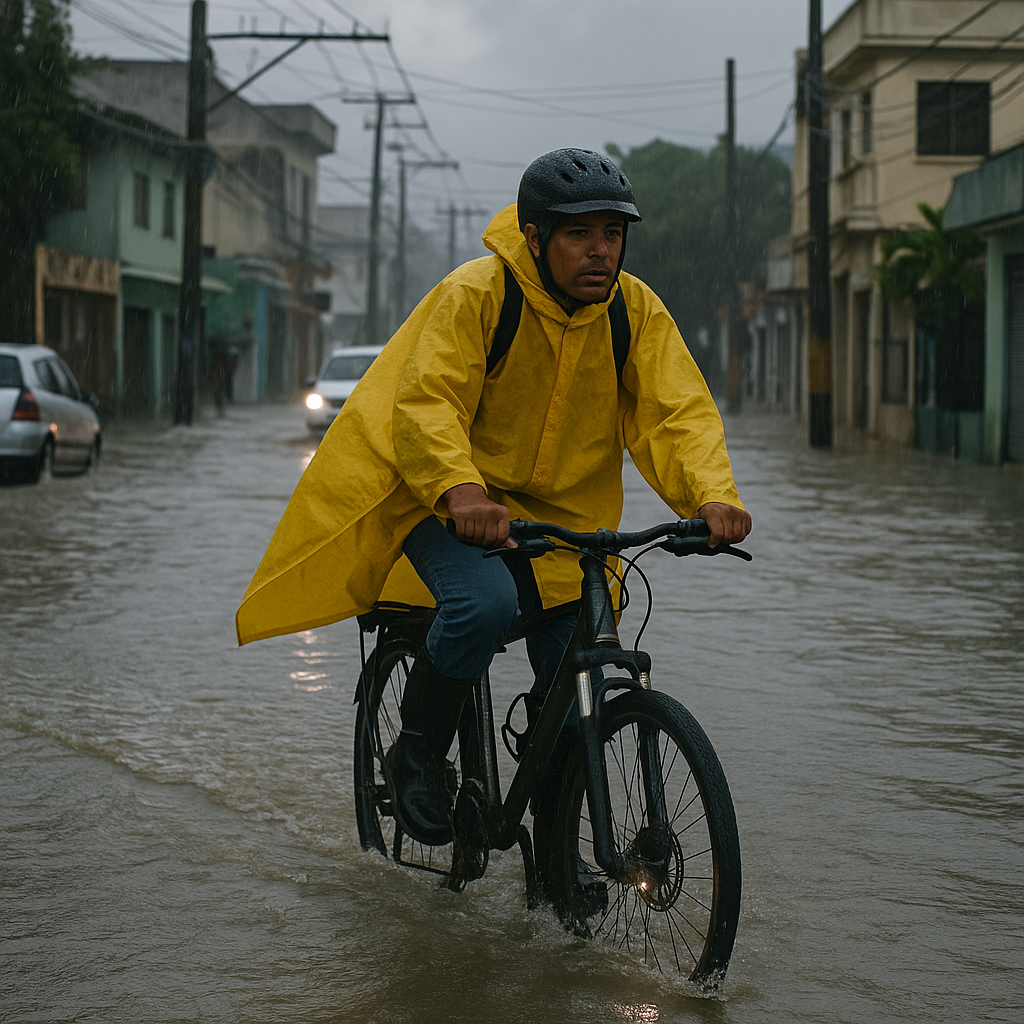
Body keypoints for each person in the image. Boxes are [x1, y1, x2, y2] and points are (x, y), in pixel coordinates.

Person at [236, 148, 751, 847]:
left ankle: (561, 854)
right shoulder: (479, 293)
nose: (601, 252)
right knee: (485, 604)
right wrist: (462, 489)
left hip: (568, 528)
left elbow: (676, 414)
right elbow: (428, 404)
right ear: (534, 237)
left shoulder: (634, 312)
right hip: (447, 500)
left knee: (585, 671)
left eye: (613, 233)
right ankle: (415, 748)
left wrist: (713, 497)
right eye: (579, 234)